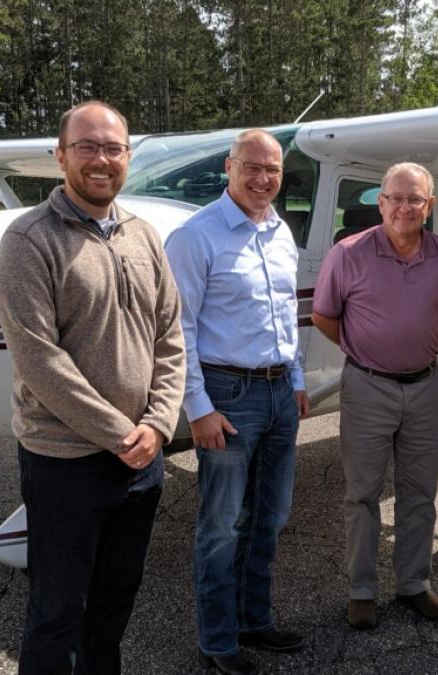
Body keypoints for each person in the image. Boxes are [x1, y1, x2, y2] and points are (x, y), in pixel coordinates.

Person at [0, 100, 186, 675]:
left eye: (113, 148)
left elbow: (170, 335)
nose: (101, 160)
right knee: (58, 610)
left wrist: (157, 425)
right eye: (87, 147)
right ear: (60, 157)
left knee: (115, 600)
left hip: (141, 459)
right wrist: (123, 432)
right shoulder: (28, 239)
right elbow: (38, 358)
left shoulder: (143, 235)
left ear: (127, 157)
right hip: (64, 462)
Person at [165, 129, 310, 675]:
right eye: (251, 166)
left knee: (270, 517)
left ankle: (255, 619)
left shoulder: (278, 232)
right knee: (221, 524)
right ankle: (219, 641)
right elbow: (176, 329)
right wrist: (197, 407)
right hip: (227, 394)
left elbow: (285, 314)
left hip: (277, 392)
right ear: (229, 167)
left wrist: (295, 378)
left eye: (272, 169)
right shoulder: (195, 237)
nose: (263, 178)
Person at [311, 162, 438, 631]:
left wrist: (408, 349)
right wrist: (368, 350)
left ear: (430, 205)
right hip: (366, 386)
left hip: (425, 386)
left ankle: (414, 583)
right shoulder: (347, 253)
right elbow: (325, 316)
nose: (404, 207)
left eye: (415, 199)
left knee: (420, 491)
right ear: (380, 202)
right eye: (395, 198)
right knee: (362, 494)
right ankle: (362, 590)